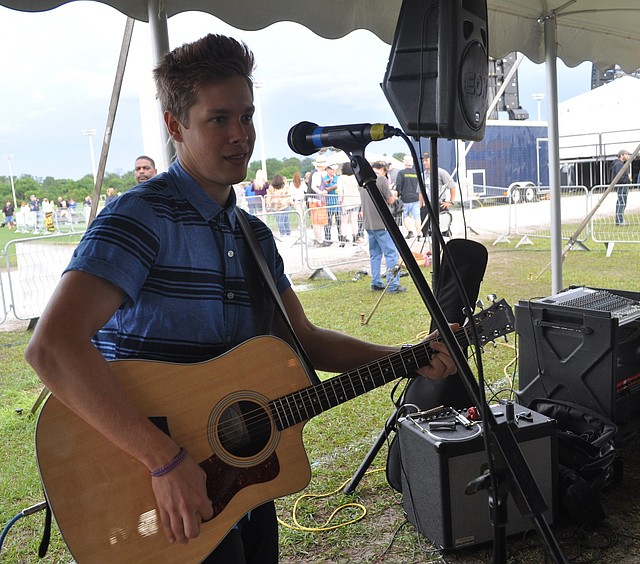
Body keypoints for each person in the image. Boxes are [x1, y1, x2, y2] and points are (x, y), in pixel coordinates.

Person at [24, 34, 457, 564]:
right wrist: (163, 461)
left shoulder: (253, 234)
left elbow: (306, 342)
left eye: (248, 117)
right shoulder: (139, 219)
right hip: (156, 475)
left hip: (242, 479)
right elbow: (52, 347)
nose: (241, 136)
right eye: (219, 119)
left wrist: (409, 357)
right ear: (175, 125)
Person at [363, 161, 406, 293]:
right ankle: (392, 285)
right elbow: (390, 200)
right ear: (383, 170)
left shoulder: (362, 179)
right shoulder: (380, 179)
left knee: (375, 254)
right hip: (382, 222)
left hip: (368, 222)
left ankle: (375, 282)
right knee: (391, 253)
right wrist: (394, 194)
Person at [420, 151, 456, 240]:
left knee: (442, 230)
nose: (424, 163)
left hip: (439, 204)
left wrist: (451, 202)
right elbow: (421, 191)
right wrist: (421, 206)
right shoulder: (423, 175)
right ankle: (431, 251)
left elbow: (452, 186)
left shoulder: (441, 172)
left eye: (426, 160)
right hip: (427, 205)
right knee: (427, 232)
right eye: (423, 161)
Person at [394, 155, 421, 238]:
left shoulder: (401, 173)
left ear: (404, 163)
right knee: (417, 217)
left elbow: (398, 185)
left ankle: (410, 231)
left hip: (405, 199)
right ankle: (419, 233)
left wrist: (397, 195)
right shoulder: (417, 173)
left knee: (404, 216)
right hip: (416, 198)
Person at [337, 162, 362, 244]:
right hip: (356, 200)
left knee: (344, 221)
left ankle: (343, 238)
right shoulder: (355, 177)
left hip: (346, 201)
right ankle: (355, 237)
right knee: (354, 220)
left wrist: (340, 200)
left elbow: (340, 190)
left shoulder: (341, 178)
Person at [266, 173, 292, 237]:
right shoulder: (285, 186)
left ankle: (283, 234)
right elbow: (289, 195)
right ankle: (287, 233)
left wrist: (268, 204)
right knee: (285, 220)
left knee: (280, 221)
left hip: (276, 206)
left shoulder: (271, 187)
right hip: (285, 205)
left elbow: (269, 197)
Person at [610, 150, 631, 226]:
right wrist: (627, 180)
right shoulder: (619, 164)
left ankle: (619, 220)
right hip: (622, 185)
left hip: (622, 185)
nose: (628, 156)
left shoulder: (619, 164)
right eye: (626, 154)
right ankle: (619, 220)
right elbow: (620, 176)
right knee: (621, 202)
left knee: (621, 202)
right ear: (622, 155)